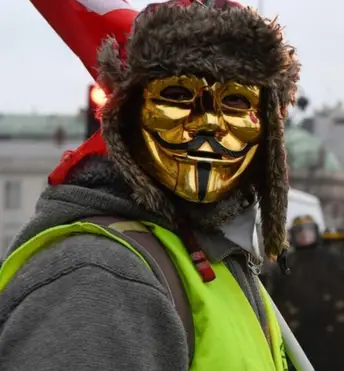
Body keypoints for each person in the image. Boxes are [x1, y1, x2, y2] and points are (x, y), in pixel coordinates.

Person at [0, 1, 302, 370]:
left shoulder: (221, 259)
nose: (208, 123)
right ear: (127, 114)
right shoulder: (100, 277)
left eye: (236, 102)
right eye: (177, 95)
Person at [269, 216, 344, 371]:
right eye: (300, 232)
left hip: (336, 337)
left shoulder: (335, 261)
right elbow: (272, 297)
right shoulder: (286, 266)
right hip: (300, 336)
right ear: (292, 235)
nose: (305, 236)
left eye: (308, 231)